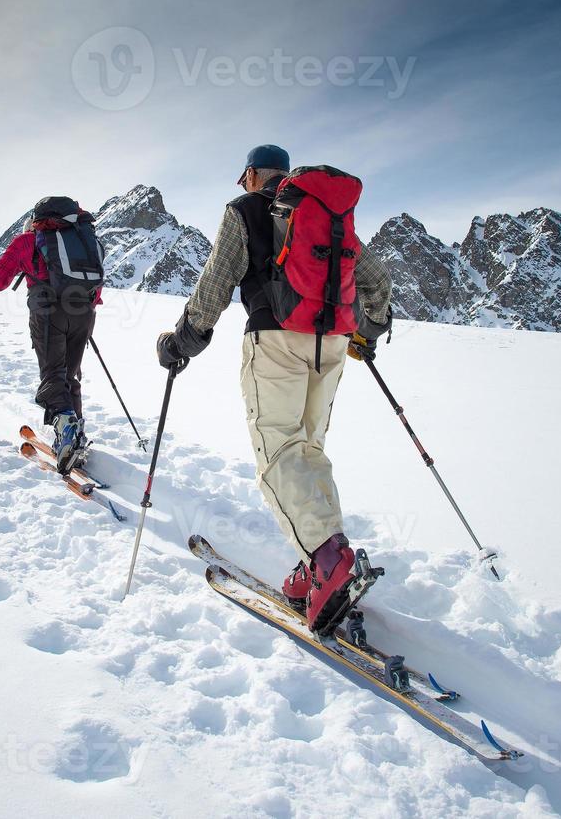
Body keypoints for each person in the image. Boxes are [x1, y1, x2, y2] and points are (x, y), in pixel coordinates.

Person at [156, 145, 393, 634]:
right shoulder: (324, 212)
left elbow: (215, 284)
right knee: (307, 449)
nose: (243, 185)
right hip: (330, 345)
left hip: (275, 339)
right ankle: (320, 563)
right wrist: (366, 333)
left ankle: (327, 560)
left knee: (278, 452)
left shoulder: (245, 210)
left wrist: (183, 340)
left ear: (254, 175)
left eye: (244, 176)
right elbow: (376, 279)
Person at [0, 196, 106, 472]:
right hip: (84, 315)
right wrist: (83, 311)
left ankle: (67, 435)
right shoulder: (88, 243)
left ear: (37, 220)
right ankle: (76, 435)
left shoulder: (28, 242)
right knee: (70, 374)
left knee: (53, 375)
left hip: (49, 314)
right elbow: (96, 284)